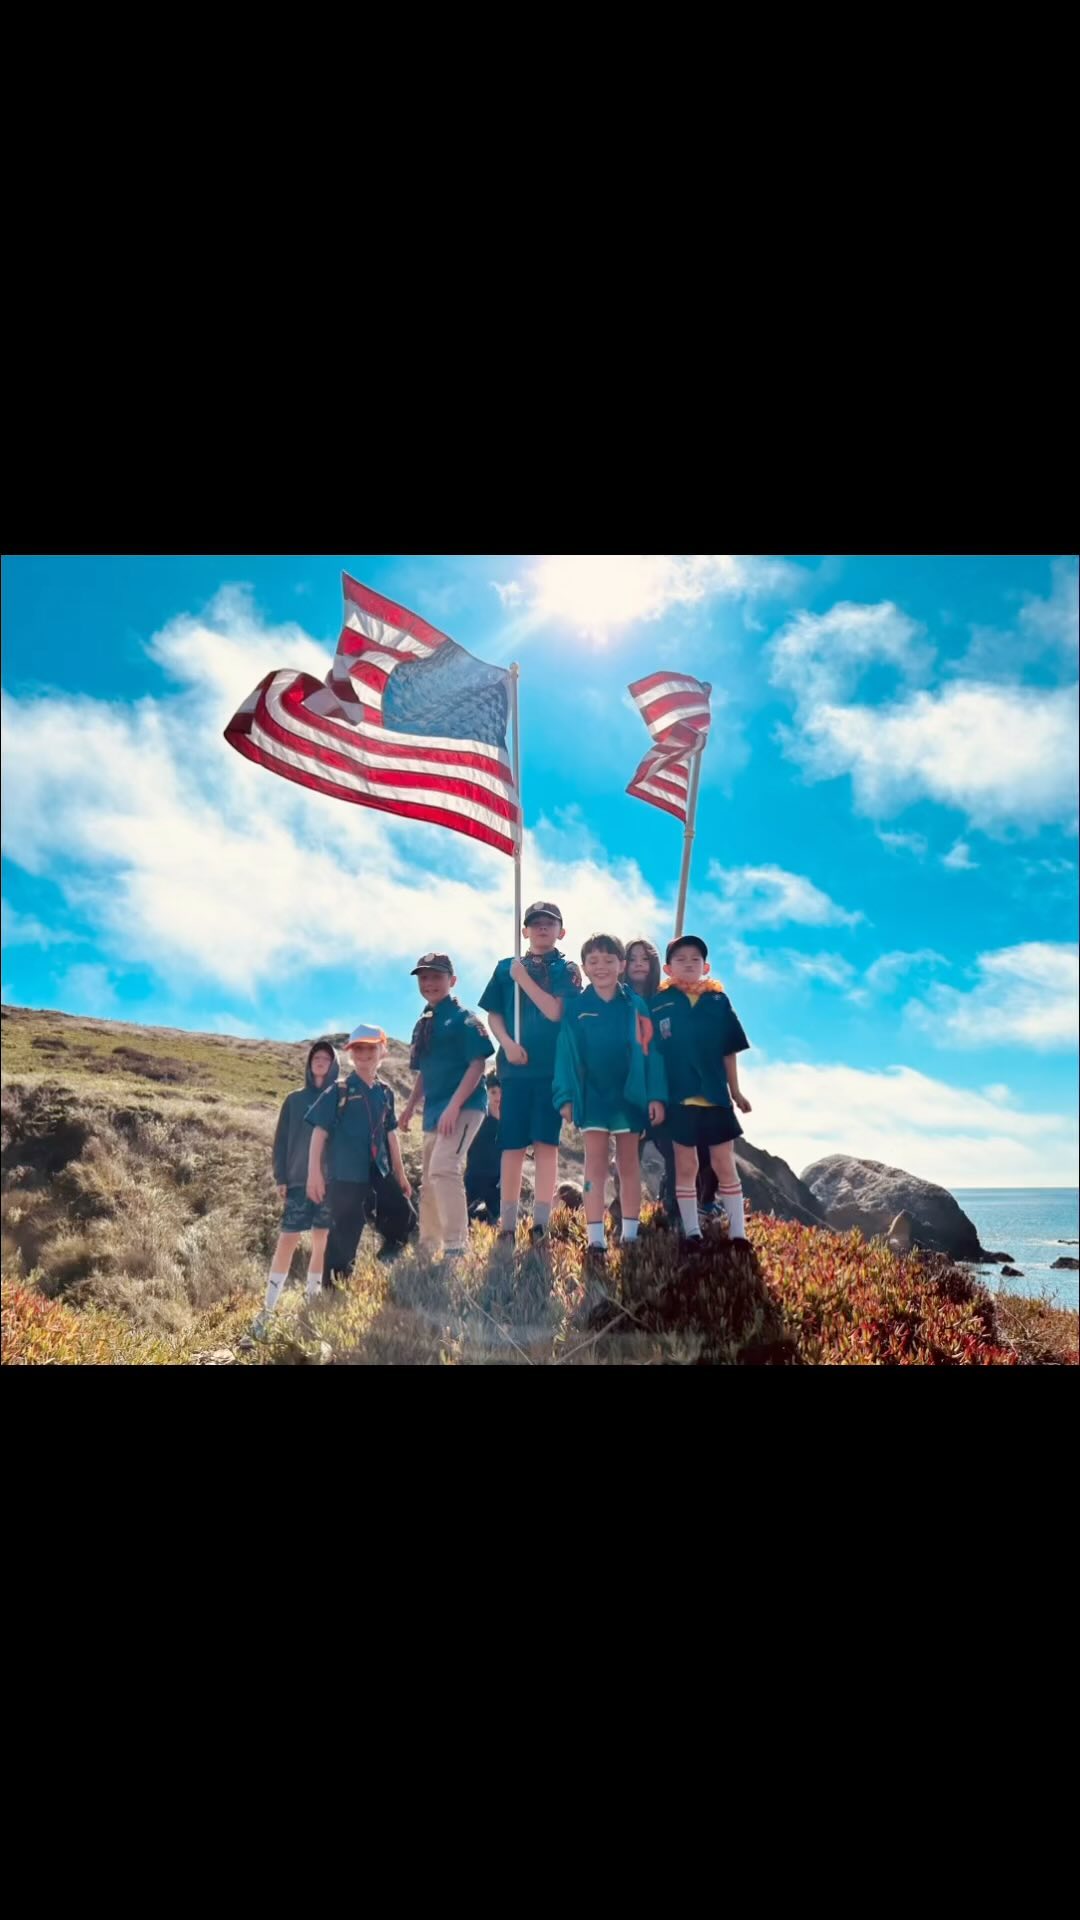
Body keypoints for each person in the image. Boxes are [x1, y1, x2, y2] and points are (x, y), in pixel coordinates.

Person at [552, 933, 666, 1260]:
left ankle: (629, 1236)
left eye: (608, 960)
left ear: (622, 965)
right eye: (593, 961)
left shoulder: (636, 1005)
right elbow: (565, 1055)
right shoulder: (577, 1008)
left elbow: (651, 1051)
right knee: (595, 1167)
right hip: (592, 1097)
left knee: (628, 1164)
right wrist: (565, 1097)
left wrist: (655, 1095)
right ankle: (596, 1240)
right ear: (585, 968)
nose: (601, 967)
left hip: (629, 1098)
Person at [478, 901, 581, 1246]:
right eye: (535, 923)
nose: (542, 928)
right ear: (524, 931)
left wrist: (523, 979)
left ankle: (540, 1224)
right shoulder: (505, 967)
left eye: (549, 923)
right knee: (512, 1146)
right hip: (514, 1071)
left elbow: (556, 1012)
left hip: (550, 1071)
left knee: (546, 1144)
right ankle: (507, 1225)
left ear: (561, 931)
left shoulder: (567, 969)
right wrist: (507, 1043)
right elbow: (494, 1013)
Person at [649, 935, 752, 1242]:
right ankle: (692, 1231)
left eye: (696, 959)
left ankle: (738, 1233)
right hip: (679, 1098)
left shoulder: (718, 1001)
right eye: (680, 959)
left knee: (723, 1163)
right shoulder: (660, 1003)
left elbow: (729, 1050)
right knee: (686, 1165)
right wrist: (656, 1096)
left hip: (715, 1096)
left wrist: (735, 1091)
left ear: (706, 966)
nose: (689, 964)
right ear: (668, 968)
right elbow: (654, 1054)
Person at [398, 953, 494, 1265]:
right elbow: (424, 1073)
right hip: (434, 1112)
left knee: (444, 1168)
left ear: (452, 981)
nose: (429, 983)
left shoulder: (465, 1019)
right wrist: (409, 1108)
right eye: (423, 978)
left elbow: (477, 1064)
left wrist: (454, 1106)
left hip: (464, 1106)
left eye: (437, 977)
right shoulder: (423, 1024)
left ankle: (456, 1247)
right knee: (429, 1182)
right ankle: (428, 1247)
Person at [305, 1023, 415, 1285]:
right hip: (345, 1175)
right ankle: (333, 1288)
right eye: (358, 1049)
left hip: (378, 1170)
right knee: (345, 1233)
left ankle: (389, 1252)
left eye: (371, 1049)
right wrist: (314, 1175)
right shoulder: (339, 1090)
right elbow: (319, 1133)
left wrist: (400, 1174)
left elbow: (391, 1135)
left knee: (404, 1213)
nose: (364, 1054)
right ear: (350, 1054)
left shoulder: (385, 1092)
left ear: (382, 1052)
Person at [626, 936, 718, 1229]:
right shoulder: (617, 1000)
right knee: (626, 1157)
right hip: (628, 1091)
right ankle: (624, 1211)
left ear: (656, 964)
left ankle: (677, 1205)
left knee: (678, 1149)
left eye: (645, 958)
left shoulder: (666, 999)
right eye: (632, 958)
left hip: (665, 1090)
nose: (639, 964)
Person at [249, 1038, 337, 1340]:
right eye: (316, 1057)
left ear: (334, 1064)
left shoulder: (339, 1098)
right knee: (287, 1240)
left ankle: (311, 1308)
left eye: (326, 1058)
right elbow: (281, 1140)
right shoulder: (294, 1099)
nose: (320, 1061)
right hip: (297, 1180)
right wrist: (281, 1177)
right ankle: (268, 1310)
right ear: (309, 1063)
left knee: (321, 1242)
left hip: (328, 1183)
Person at [466, 1074, 502, 1223]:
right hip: (475, 1177)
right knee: (471, 1218)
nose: (498, 1096)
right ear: (486, 1092)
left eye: (501, 1092)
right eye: (493, 1092)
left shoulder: (509, 1123)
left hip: (497, 1181)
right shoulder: (479, 1119)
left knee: (493, 1220)